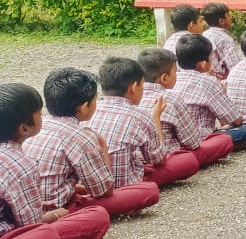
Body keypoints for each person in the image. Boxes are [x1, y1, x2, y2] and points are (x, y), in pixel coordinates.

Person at [0, 83, 111, 239]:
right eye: (39, 113)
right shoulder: (21, 165)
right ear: (24, 128)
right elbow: (31, 226)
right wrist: (54, 216)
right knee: (96, 217)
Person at [23, 67, 160, 218]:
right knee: (148, 191)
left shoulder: (39, 127)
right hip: (63, 206)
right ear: (84, 107)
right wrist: (103, 145)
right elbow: (104, 190)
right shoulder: (82, 137)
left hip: (33, 205)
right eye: (95, 100)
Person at [90, 56, 199, 188]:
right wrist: (155, 118)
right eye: (142, 85)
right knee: (188, 160)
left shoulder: (92, 110)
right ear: (134, 87)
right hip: (125, 184)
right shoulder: (140, 116)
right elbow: (159, 159)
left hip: (93, 181)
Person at [138, 48, 234, 169]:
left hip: (139, 159)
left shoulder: (133, 98)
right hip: (169, 156)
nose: (177, 75)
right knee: (223, 140)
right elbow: (192, 143)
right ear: (164, 78)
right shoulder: (172, 99)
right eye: (175, 72)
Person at [173, 34, 246, 145]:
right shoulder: (207, 82)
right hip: (202, 138)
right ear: (202, 64)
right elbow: (235, 119)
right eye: (211, 58)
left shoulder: (174, 79)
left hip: (178, 138)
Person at [200, 2, 240, 80]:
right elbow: (234, 67)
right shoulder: (225, 39)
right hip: (221, 81)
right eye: (228, 15)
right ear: (221, 21)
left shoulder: (204, 35)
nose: (230, 17)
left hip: (205, 78)